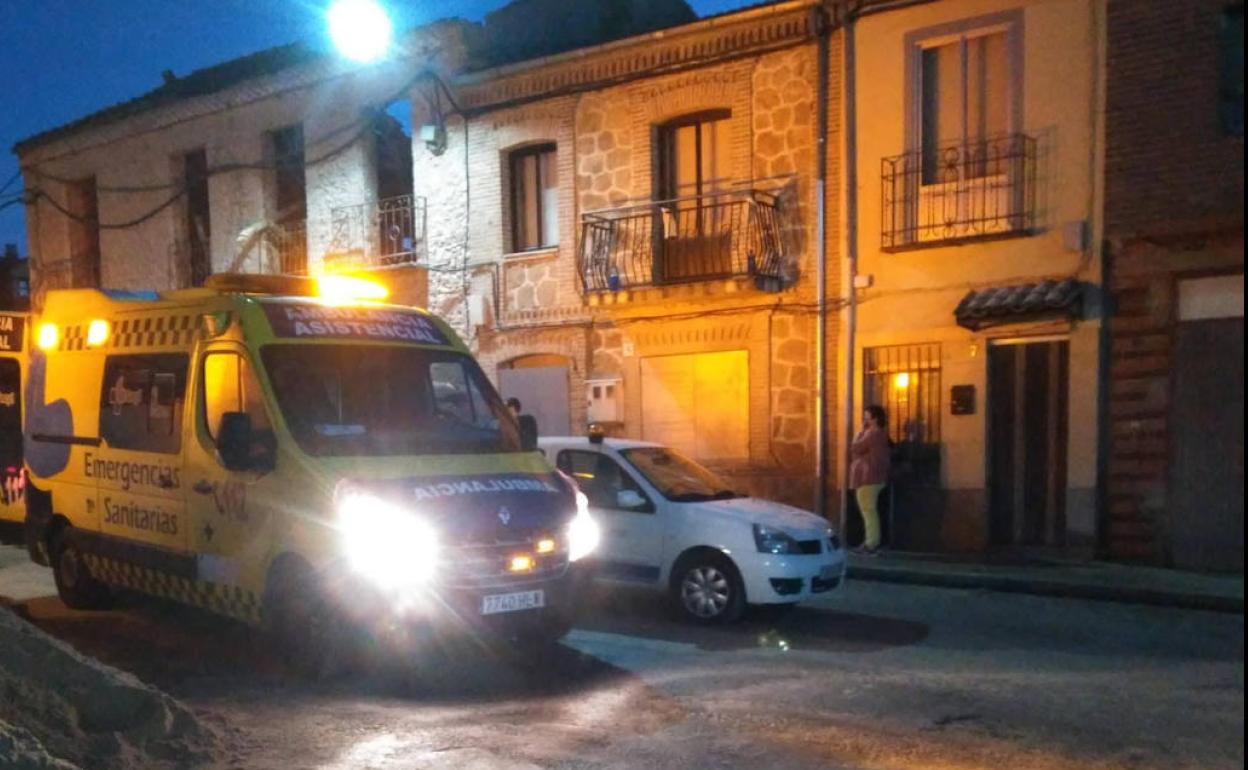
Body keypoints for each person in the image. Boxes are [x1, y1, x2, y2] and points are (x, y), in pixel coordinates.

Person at [850, 404, 891, 555]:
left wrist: (859, 431)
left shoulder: (873, 434)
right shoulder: (880, 434)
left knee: (868, 511)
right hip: (875, 476)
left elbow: (855, 447)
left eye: (867, 416)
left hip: (868, 477)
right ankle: (872, 541)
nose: (865, 419)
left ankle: (871, 543)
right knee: (870, 510)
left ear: (875, 418)